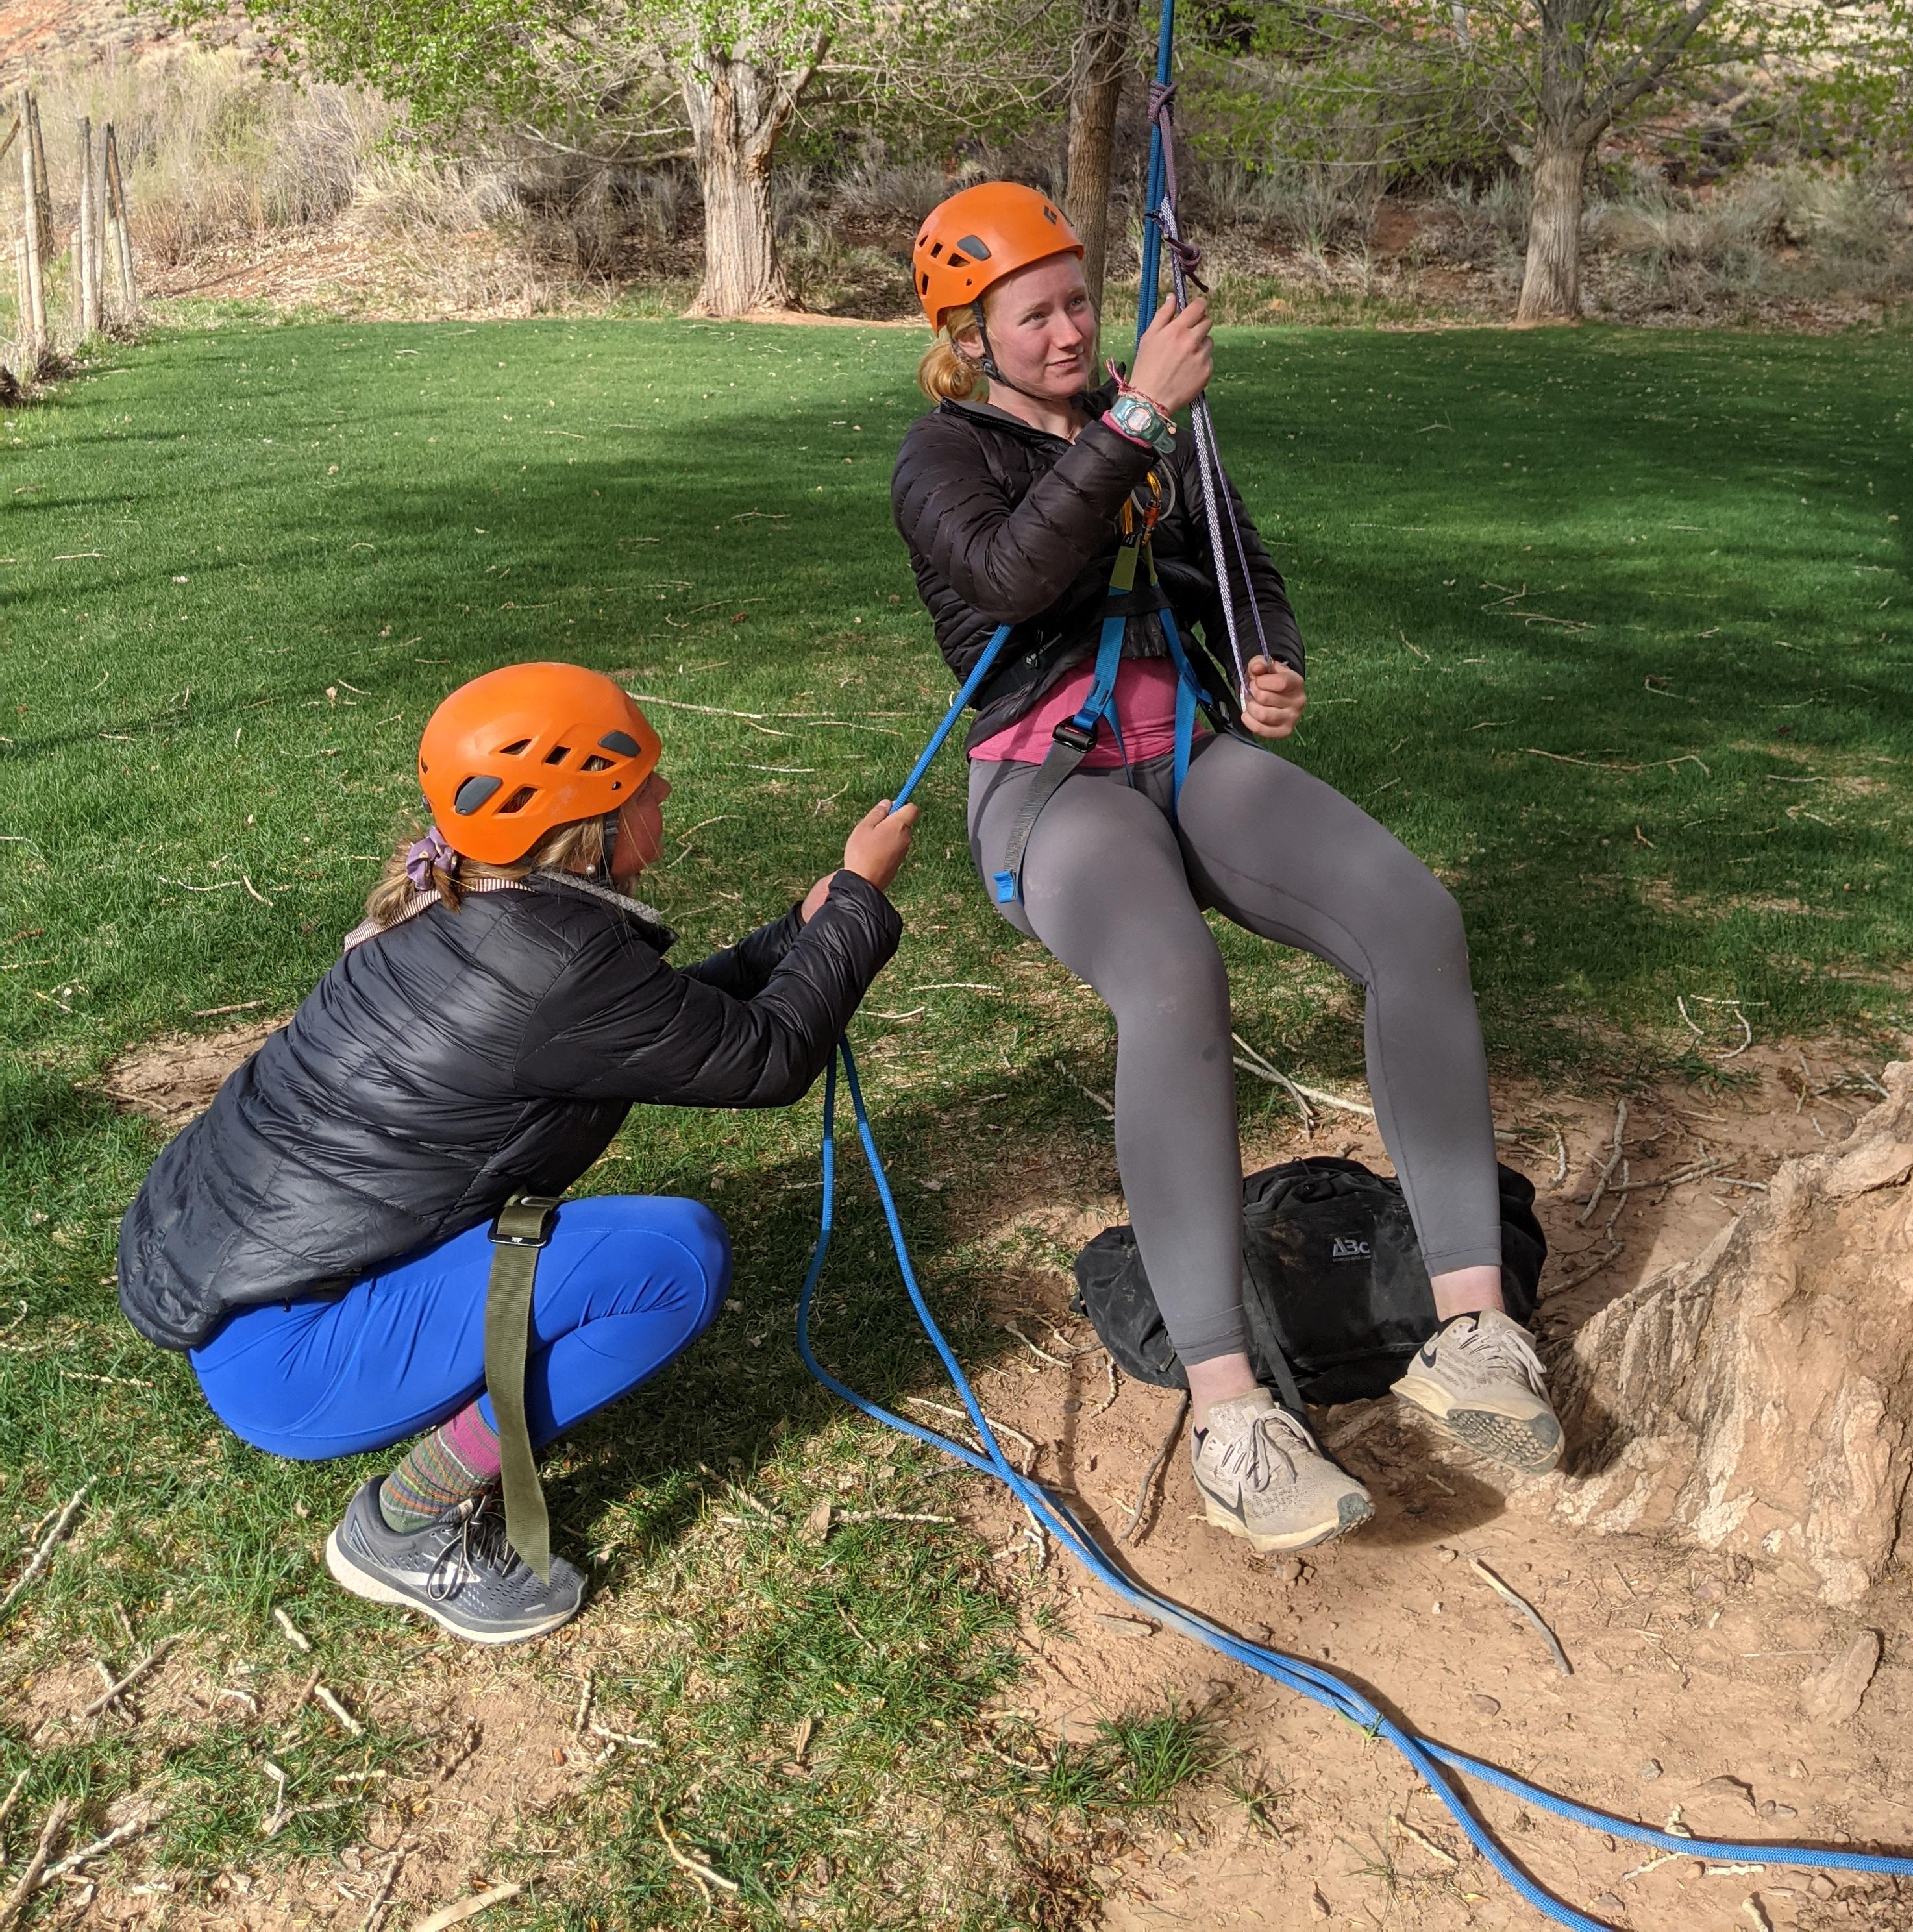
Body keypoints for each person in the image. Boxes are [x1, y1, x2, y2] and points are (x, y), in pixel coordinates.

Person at [891, 181, 1561, 1556]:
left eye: (1081, 301)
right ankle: (1231, 1416)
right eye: (1038, 315)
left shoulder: (1148, 427)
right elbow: (1016, 578)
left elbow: (1237, 565)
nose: (1073, 330)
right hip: (1052, 790)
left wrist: (1271, 664)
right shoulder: (941, 458)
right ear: (969, 336)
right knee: (1174, 983)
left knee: (1411, 916)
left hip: (1188, 750)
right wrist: (1138, 419)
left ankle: (1475, 1328)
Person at [117, 661, 916, 1645]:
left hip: (255, 1307)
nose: (664, 793)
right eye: (641, 786)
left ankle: (429, 1411)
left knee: (637, 1254)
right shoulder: (556, 966)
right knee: (673, 1262)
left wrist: (800, 933)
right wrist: (860, 905)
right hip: (294, 1362)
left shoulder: (472, 908)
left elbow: (659, 1028)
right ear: (588, 828)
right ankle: (406, 1524)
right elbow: (769, 1057)